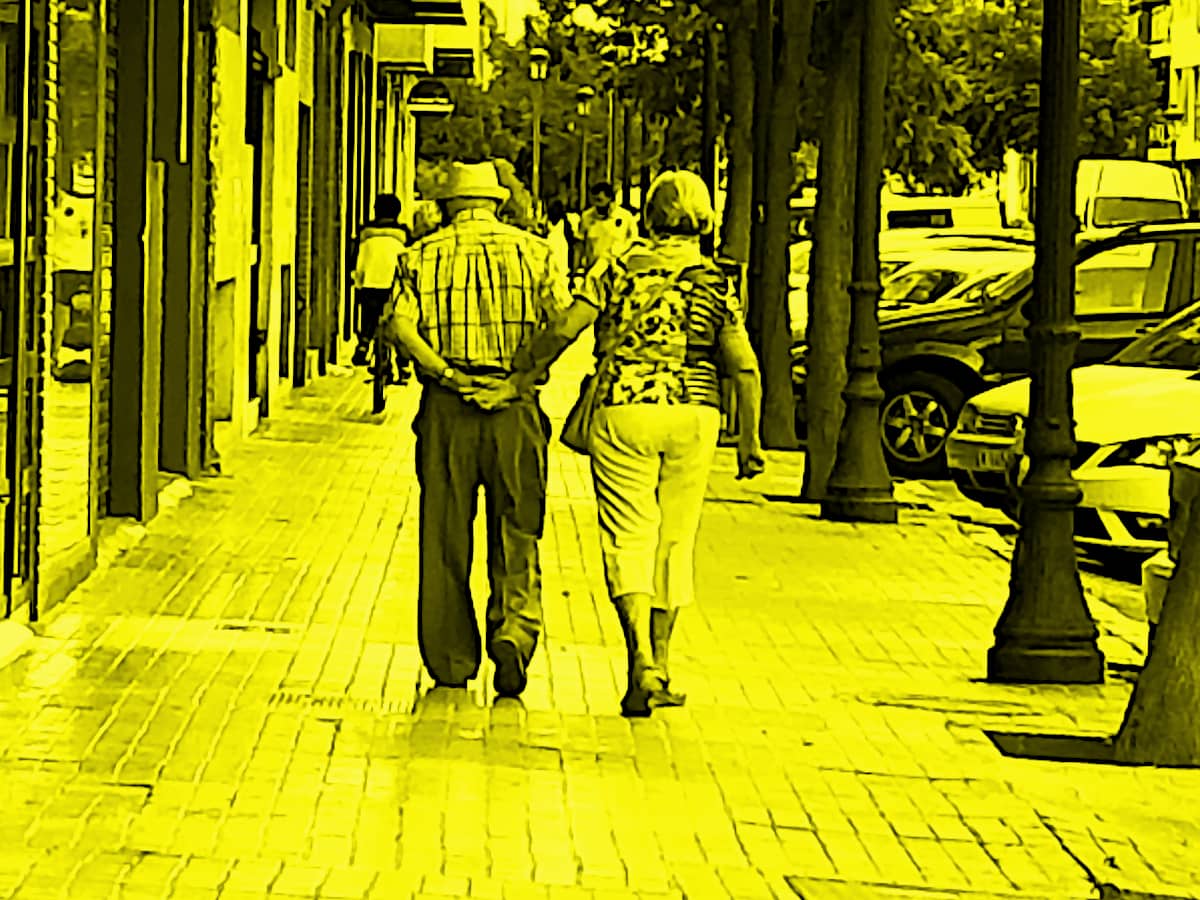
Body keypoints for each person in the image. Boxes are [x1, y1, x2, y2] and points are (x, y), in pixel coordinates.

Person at [470, 170, 766, 717]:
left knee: (629, 536)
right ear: (702, 221)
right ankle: (663, 662)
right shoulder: (717, 280)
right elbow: (744, 367)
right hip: (695, 412)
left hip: (622, 407)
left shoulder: (616, 267)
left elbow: (564, 329)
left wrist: (524, 369)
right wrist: (749, 441)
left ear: (649, 216)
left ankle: (639, 661)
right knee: (675, 540)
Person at [380, 161, 574, 699]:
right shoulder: (537, 253)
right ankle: (513, 629)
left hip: (447, 408)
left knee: (444, 534)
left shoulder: (418, 256)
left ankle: (450, 657)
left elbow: (399, 326)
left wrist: (446, 374)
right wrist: (519, 378)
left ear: (447, 205)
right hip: (513, 409)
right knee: (517, 527)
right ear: (498, 203)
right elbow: (560, 323)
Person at [352, 194, 411, 381]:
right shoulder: (403, 235)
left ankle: (363, 344)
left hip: (370, 284)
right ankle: (404, 364)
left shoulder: (365, 233)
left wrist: (357, 282)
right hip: (394, 287)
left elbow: (358, 264)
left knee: (369, 317)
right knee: (401, 322)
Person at [579, 181, 637, 270]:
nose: (596, 205)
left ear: (609, 198)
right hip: (593, 268)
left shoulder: (625, 216)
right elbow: (580, 244)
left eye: (600, 200)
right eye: (594, 201)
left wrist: (621, 253)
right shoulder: (587, 217)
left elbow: (633, 239)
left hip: (618, 266)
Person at [545, 199, 572, 277]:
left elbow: (569, 237)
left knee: (561, 269)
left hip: (560, 246)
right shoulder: (547, 221)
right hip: (550, 245)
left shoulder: (564, 222)